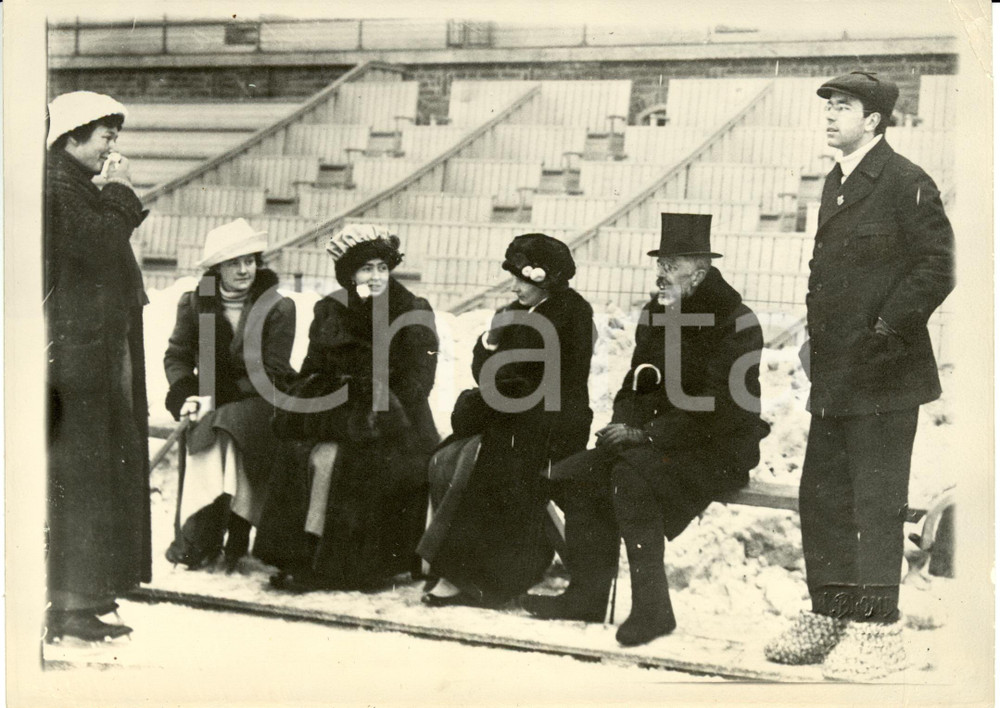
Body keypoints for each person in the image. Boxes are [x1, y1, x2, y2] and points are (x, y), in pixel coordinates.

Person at [764, 72, 955, 681]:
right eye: (828, 107)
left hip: (885, 376)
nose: (829, 116)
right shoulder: (837, 182)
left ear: (873, 120)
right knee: (821, 499)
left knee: (875, 505)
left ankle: (877, 630)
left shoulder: (906, 182)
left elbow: (939, 266)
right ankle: (829, 615)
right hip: (837, 376)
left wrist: (884, 331)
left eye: (842, 107)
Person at [523, 214, 770, 647]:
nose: (660, 274)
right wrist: (625, 421)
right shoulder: (656, 313)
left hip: (719, 445)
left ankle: (653, 610)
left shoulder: (737, 321)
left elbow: (722, 406)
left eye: (671, 266)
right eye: (659, 263)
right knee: (573, 475)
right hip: (660, 439)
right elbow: (636, 381)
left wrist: (646, 436)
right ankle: (587, 595)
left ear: (700, 273)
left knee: (631, 478)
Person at [255, 225, 439, 592]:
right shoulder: (330, 310)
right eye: (366, 268)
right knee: (300, 451)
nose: (376, 276)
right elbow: (312, 370)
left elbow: (418, 383)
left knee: (340, 460)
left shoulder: (412, 310)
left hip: (398, 423)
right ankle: (302, 554)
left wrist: (367, 402)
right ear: (349, 273)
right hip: (339, 415)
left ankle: (343, 566)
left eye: (381, 268)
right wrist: (327, 398)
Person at [419, 233, 595, 608]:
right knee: (448, 456)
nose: (515, 287)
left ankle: (484, 578)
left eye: (523, 280)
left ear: (545, 279)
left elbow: (534, 378)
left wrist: (488, 398)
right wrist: (492, 342)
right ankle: (452, 565)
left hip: (553, 423)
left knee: (492, 462)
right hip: (516, 417)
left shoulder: (572, 312)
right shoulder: (519, 312)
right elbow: (487, 371)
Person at [44, 91, 151, 641]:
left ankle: (86, 597)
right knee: (85, 476)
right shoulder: (59, 186)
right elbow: (100, 243)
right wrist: (121, 191)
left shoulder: (72, 184)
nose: (113, 145)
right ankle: (73, 602)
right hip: (80, 358)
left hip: (97, 347)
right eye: (105, 135)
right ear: (72, 136)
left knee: (99, 472)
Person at [163, 219, 296, 572]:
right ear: (217, 269)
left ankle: (233, 530)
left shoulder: (278, 308)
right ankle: (200, 537)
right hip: (210, 399)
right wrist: (185, 393)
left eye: (249, 261)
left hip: (262, 400)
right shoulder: (195, 304)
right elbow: (176, 355)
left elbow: (275, 371)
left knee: (226, 426)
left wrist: (221, 394)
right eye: (233, 263)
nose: (243, 270)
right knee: (208, 429)